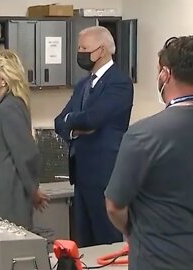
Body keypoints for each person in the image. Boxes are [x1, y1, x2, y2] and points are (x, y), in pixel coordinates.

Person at [105, 36, 193, 270]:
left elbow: (115, 206)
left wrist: (135, 233)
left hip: (160, 259)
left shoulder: (144, 135)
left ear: (165, 74)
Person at [54, 26, 133, 247]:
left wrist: (76, 121)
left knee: (106, 239)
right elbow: (59, 121)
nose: (80, 52)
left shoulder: (119, 83)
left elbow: (92, 119)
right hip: (81, 175)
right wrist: (74, 126)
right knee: (84, 242)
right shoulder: (83, 84)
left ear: (102, 50)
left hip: (105, 174)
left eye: (84, 48)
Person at [0, 49, 49, 230]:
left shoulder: (10, 107)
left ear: (3, 78)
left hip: (8, 197)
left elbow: (25, 154)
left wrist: (32, 189)